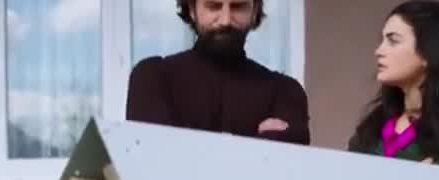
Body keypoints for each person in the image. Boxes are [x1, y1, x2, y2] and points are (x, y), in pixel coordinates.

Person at [125, 0, 310, 145]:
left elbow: (285, 171)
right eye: (213, 6)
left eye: (238, 6)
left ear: (254, 11)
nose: (225, 20)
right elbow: (154, 157)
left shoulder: (285, 92)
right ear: (192, 9)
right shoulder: (153, 77)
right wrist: (257, 144)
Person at [347, 1, 439, 169]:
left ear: (428, 52)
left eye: (393, 41)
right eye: (382, 41)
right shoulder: (376, 121)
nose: (379, 51)